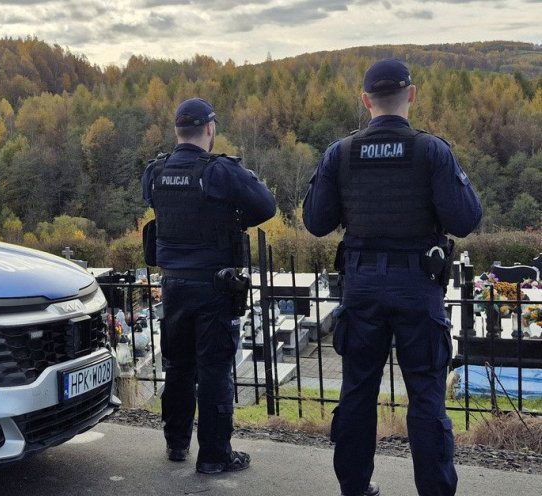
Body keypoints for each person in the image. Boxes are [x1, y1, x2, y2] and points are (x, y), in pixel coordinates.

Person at [303, 59, 482, 496]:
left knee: (357, 390)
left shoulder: (341, 153)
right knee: (426, 394)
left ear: (366, 101)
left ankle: (354, 486)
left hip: (362, 287)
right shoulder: (431, 151)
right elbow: (465, 219)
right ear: (412, 94)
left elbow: (316, 221)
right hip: (418, 287)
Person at [142, 98, 276, 474]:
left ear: (177, 131)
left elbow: (155, 202)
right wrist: (231, 216)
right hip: (214, 286)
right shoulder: (219, 171)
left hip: (173, 286)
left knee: (178, 366)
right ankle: (215, 456)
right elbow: (266, 206)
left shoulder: (155, 171)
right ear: (210, 129)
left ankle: (176, 443)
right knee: (215, 369)